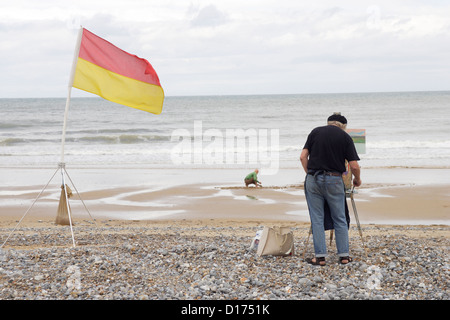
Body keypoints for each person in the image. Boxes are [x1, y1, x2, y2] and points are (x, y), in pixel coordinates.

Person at [300, 113, 361, 266]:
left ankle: (320, 257)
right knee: (339, 218)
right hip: (334, 180)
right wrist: (357, 179)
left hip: (314, 178)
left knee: (317, 218)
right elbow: (354, 166)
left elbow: (302, 157)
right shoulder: (345, 137)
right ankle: (344, 256)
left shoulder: (315, 132)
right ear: (344, 126)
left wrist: (310, 175)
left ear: (328, 123)